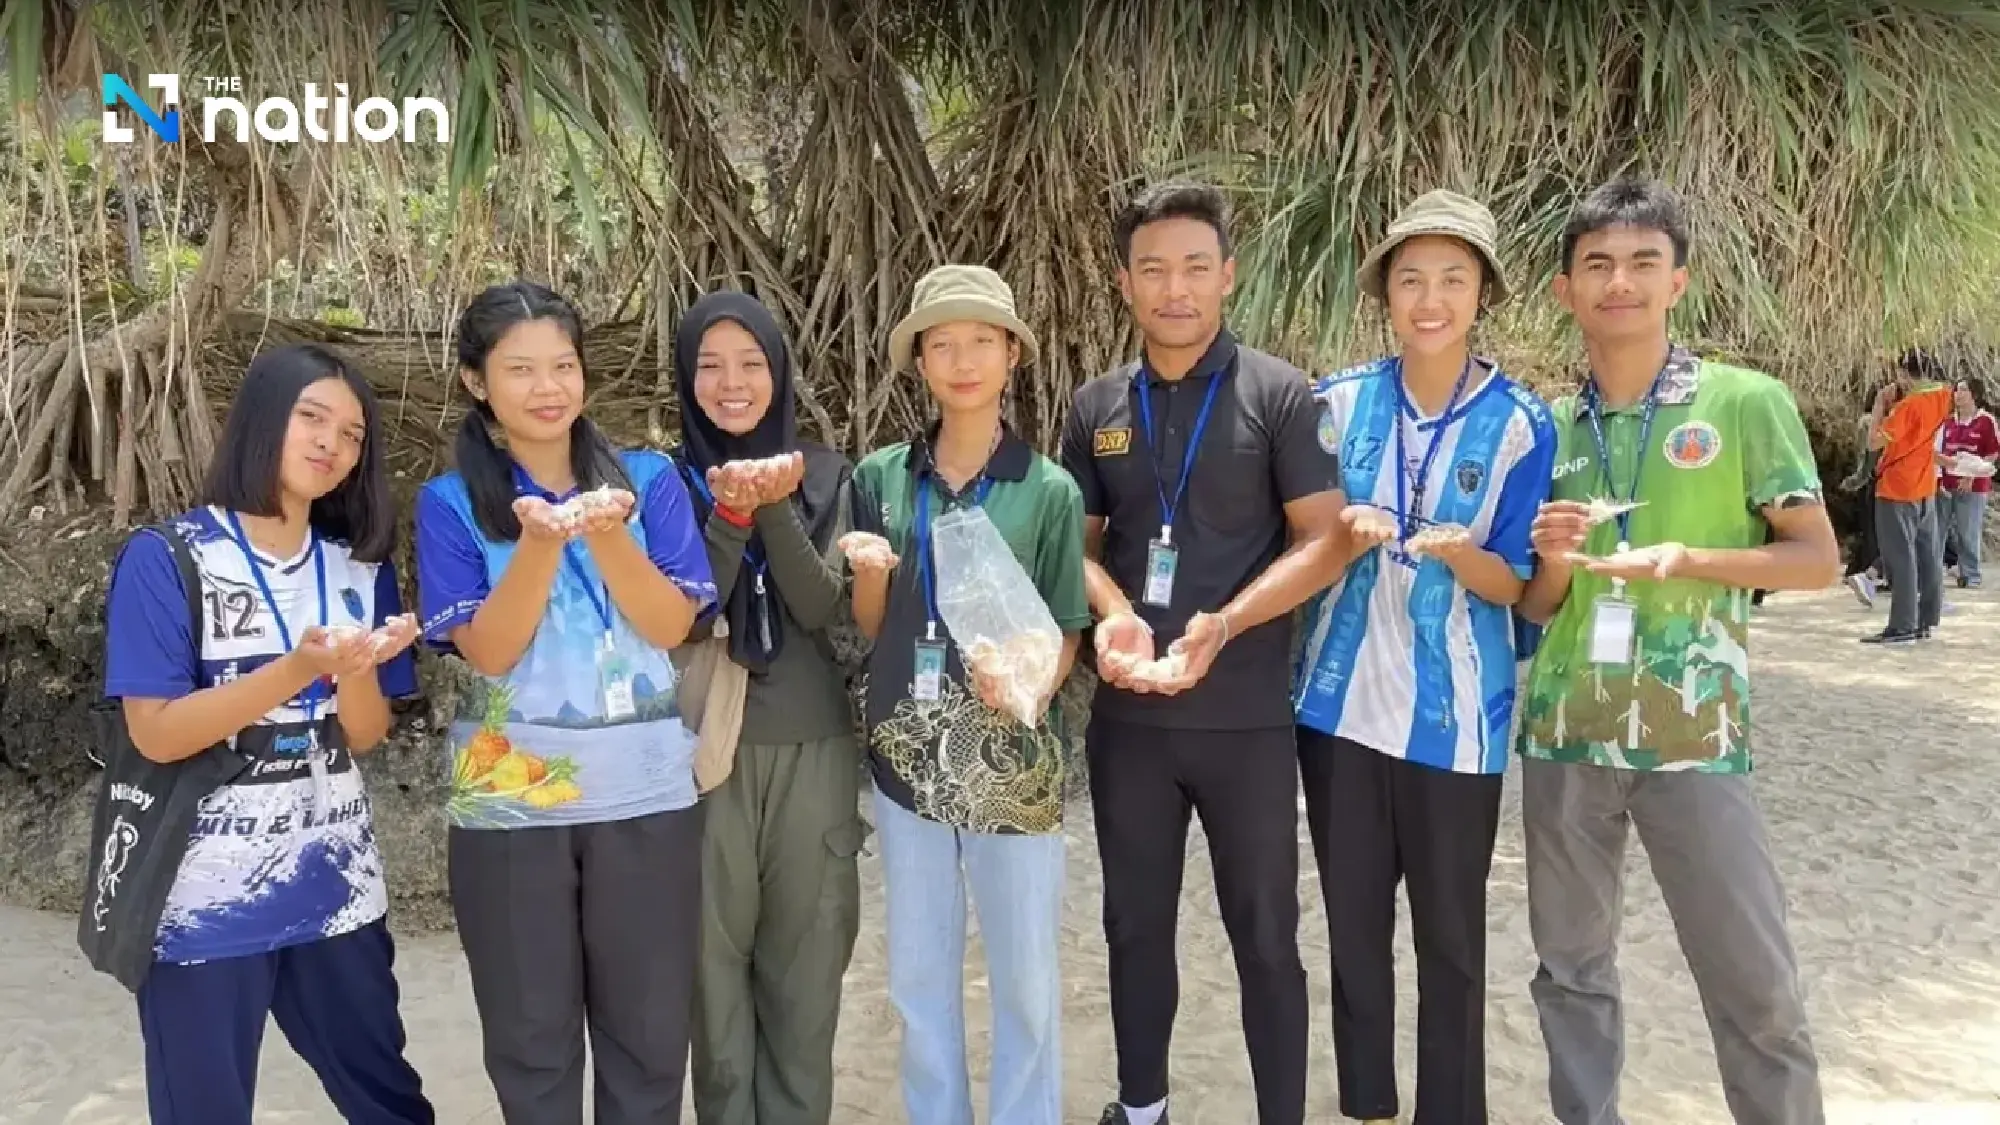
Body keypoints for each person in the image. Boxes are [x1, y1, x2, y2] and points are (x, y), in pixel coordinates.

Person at [1514, 178, 1838, 1125]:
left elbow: (1816, 558)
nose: (1621, 282)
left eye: (1642, 263)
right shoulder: (1546, 426)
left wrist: (1692, 558)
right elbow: (1536, 609)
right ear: (1565, 290)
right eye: (1598, 265)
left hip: (1696, 733)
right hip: (1563, 736)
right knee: (1570, 975)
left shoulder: (1746, 402)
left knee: (1752, 978)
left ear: (1678, 281)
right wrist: (1552, 560)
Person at [1059, 181, 1347, 1125]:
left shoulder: (1278, 392)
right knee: (1134, 927)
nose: (1174, 288)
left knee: (1265, 933)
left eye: (1194, 267)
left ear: (1227, 275)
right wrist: (1110, 613)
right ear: (1124, 281)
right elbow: (1078, 544)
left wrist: (1224, 623)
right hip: (1131, 722)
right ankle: (1141, 1109)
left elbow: (1326, 539)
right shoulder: (1099, 402)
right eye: (1153, 269)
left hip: (1247, 720)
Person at [102, 344, 432, 1124]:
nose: (331, 443)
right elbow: (155, 733)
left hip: (335, 884)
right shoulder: (169, 558)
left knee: (386, 1096)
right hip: (202, 899)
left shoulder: (359, 566)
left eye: (352, 434)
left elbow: (364, 731)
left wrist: (353, 665)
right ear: (260, 419)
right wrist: (293, 669)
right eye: (311, 417)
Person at [414, 280, 718, 1123]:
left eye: (563, 366)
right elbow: (489, 649)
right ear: (478, 382)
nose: (547, 388)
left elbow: (672, 622)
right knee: (531, 1045)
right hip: (510, 807)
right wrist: (541, 543)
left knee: (650, 1041)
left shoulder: (650, 481)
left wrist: (608, 529)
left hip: (648, 796)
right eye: (520, 370)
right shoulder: (447, 505)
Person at [1294, 190, 1557, 1125]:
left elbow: (1521, 587)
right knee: (1355, 928)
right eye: (1411, 279)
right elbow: (1297, 543)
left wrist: (1459, 552)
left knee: (1451, 937)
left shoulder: (1525, 421)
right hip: (1336, 709)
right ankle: (1367, 1103)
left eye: (1453, 277)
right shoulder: (1333, 402)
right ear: (1386, 294)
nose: (1431, 297)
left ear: (1483, 290)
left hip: (1459, 719)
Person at [838, 263, 1089, 1125]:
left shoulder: (1048, 487)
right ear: (920, 364)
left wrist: (1023, 685)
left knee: (1023, 980)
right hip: (905, 753)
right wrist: (869, 574)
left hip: (1012, 759)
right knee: (918, 976)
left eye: (982, 340)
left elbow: (1066, 629)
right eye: (942, 343)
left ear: (1012, 354)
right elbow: (873, 626)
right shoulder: (881, 477)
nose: (963, 358)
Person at [673, 291, 865, 1125]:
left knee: (803, 981)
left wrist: (774, 503)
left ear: (780, 373)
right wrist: (725, 515)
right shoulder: (663, 482)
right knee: (711, 988)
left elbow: (826, 610)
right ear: (686, 378)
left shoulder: (828, 474)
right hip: (701, 759)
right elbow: (684, 613)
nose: (731, 382)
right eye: (709, 365)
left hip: (813, 754)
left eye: (751, 362)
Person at [1862, 349, 1952, 643]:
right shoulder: (1943, 397)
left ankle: (1902, 625)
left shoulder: (1908, 406)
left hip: (1897, 488)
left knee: (1901, 558)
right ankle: (1926, 619)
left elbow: (1874, 440)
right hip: (1925, 484)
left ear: (1904, 374)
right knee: (1928, 556)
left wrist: (1879, 406)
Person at [1937, 377, 1997, 589]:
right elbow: (1940, 452)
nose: (1957, 394)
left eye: (1963, 390)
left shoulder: (1986, 421)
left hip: (1973, 486)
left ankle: (1970, 574)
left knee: (1968, 531)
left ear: (1974, 394)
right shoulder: (1947, 422)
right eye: (1956, 390)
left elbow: (1992, 453)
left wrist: (1973, 475)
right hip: (1945, 485)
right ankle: (1933, 574)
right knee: (1938, 531)